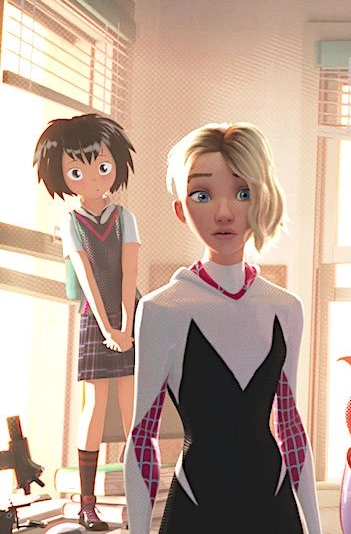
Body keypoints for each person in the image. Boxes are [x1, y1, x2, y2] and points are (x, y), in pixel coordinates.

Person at [122, 123, 320, 533]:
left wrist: (316, 529)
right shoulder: (162, 308)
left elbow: (292, 431)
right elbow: (142, 439)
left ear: (263, 198)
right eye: (202, 194)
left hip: (274, 512)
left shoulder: (286, 308)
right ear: (181, 209)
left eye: (243, 192)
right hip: (196, 512)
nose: (224, 212)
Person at [33, 114, 139, 531]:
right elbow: (87, 277)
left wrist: (127, 325)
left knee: (133, 409)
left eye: (102, 167)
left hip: (129, 314)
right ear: (62, 176)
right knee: (94, 407)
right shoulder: (71, 222)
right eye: (77, 172)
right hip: (94, 320)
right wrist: (109, 329)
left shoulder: (125, 217)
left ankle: (140, 493)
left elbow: (129, 273)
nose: (93, 179)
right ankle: (87, 504)